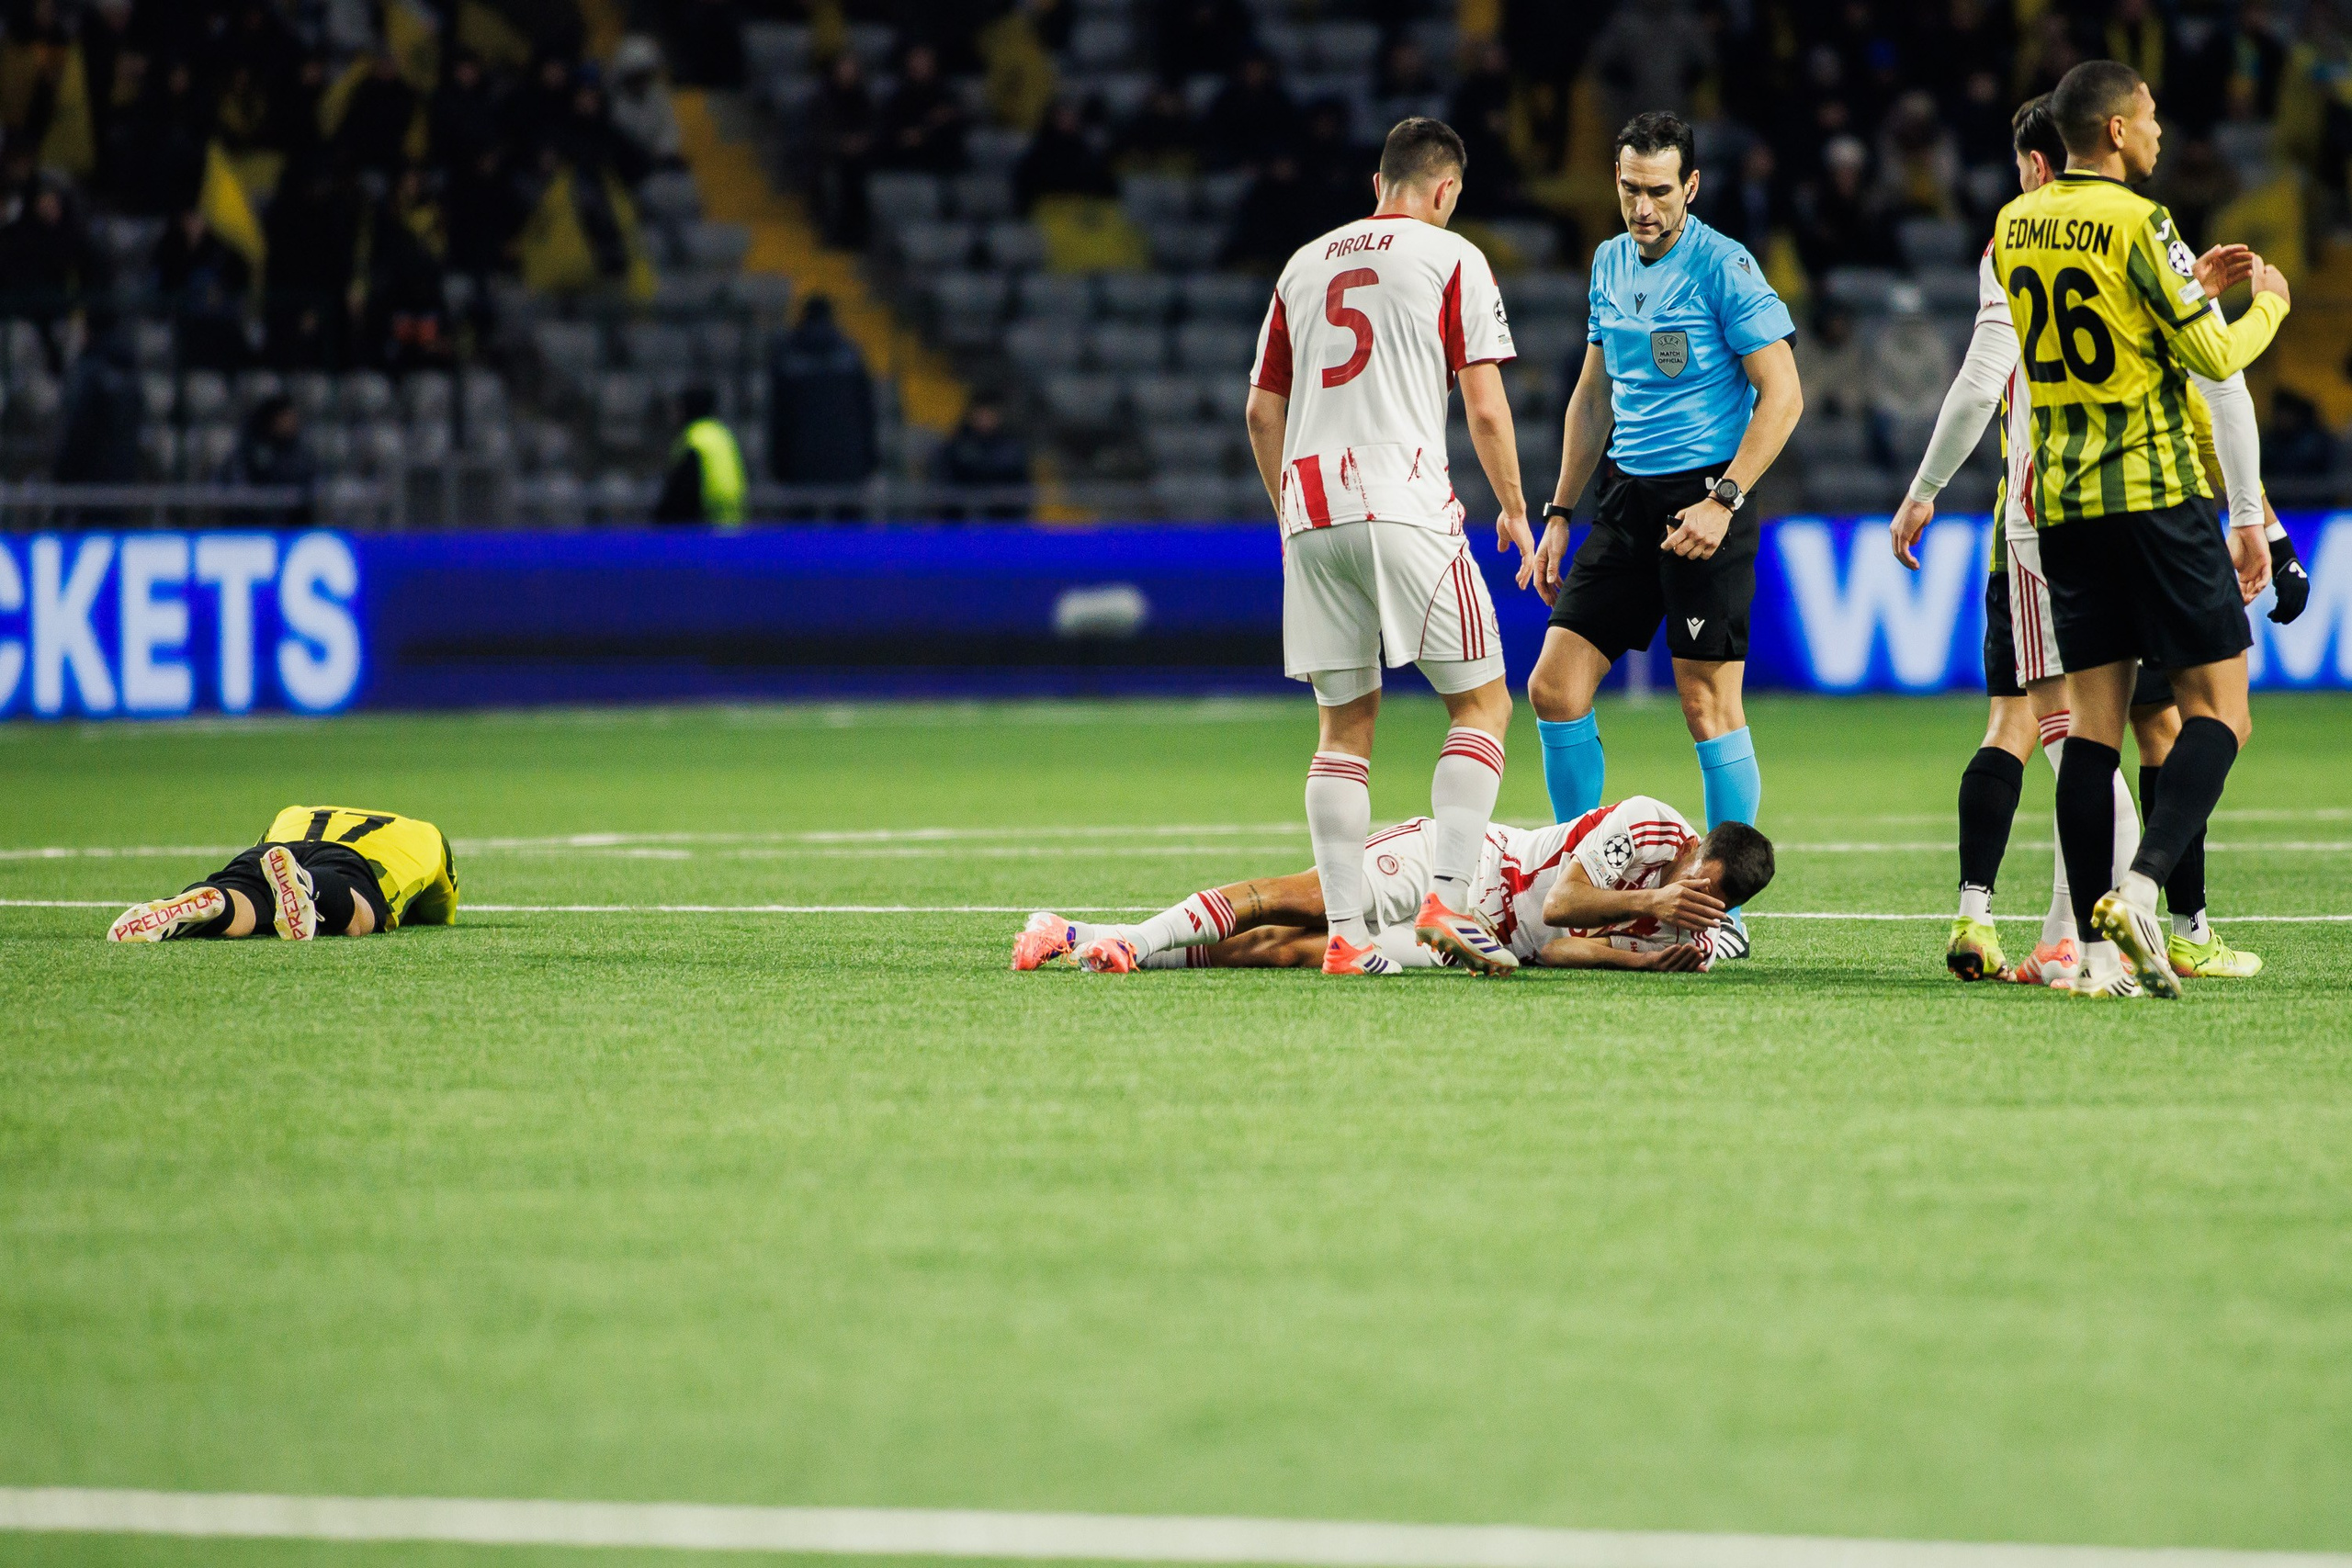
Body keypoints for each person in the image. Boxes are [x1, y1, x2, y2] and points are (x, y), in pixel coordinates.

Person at [1891, 94, 2302, 988]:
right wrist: (2266, 306)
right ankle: (2145, 899)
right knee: (2215, 713)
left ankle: (2080, 949)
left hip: (2054, 510)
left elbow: (2005, 369)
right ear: (2113, 131)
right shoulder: (2140, 222)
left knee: (2084, 732)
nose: (2159, 128)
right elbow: (2214, 365)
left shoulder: (2012, 232)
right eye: (2148, 115)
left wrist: (1922, 492)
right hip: (2153, 499)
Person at [1243, 116, 1535, 977]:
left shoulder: (1302, 264)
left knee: (1342, 729)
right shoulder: (1454, 257)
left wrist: (1290, 514)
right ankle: (1447, 899)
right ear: (1445, 191)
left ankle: (1345, 935)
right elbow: (1485, 406)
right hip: (1402, 496)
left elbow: (1260, 411)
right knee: (1482, 706)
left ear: (1378, 185)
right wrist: (1515, 510)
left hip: (1311, 507)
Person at [1525, 110, 1804, 961]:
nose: (1641, 207)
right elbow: (1591, 397)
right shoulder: (1609, 262)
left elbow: (1784, 393)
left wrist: (1724, 500)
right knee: (1554, 689)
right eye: (1629, 189)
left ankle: (1723, 912)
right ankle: (1581, 891)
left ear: (1691, 187)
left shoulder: (1725, 266)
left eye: (1657, 191)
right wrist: (1560, 513)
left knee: (1705, 703)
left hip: (1706, 495)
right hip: (1626, 498)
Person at [1009, 797, 1774, 975]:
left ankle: (1078, 938)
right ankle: (1127, 940)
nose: (1695, 900)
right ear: (1694, 847)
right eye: (1696, 882)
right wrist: (1650, 900)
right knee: (1301, 898)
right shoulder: (1646, 823)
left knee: (1290, 949)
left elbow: (1559, 945)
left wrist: (1645, 960)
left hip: (1485, 941)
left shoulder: (1694, 932)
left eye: (1715, 901)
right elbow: (1561, 904)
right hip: (1466, 863)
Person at [107, 805, 458, 944]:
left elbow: (267, 865)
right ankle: (311, 885)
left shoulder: (291, 813)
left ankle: (215, 900)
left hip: (280, 845)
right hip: (352, 859)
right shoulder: (427, 834)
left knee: (249, 895)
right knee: (361, 917)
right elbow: (439, 911)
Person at [767, 296, 878, 491]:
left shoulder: (787, 355)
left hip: (799, 465)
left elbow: (778, 415)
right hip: (848, 464)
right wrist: (869, 460)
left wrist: (779, 466)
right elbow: (867, 411)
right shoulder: (850, 354)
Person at [220, 393, 319, 525]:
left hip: (291, 523)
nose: (292, 421)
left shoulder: (299, 451)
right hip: (252, 522)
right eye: (286, 417)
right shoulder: (249, 450)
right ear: (274, 419)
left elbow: (306, 484)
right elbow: (239, 488)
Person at [654, 386, 747, 525]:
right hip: (733, 523)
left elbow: (681, 494)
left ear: (685, 409)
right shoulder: (722, 434)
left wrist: (660, 521)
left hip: (704, 526)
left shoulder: (693, 439)